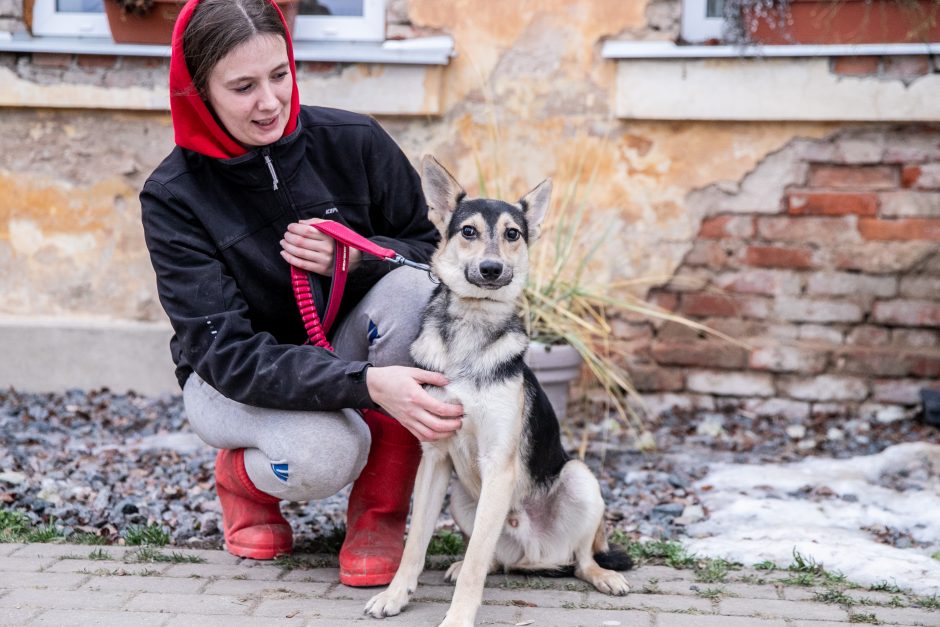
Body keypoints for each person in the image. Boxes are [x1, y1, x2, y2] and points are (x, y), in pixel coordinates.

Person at [140, 0, 463, 587]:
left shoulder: (355, 140)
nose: (269, 102)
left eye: (280, 74)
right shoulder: (174, 196)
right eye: (241, 87)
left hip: (339, 347)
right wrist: (365, 384)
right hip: (232, 383)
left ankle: (379, 519)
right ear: (199, 90)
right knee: (322, 456)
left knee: (416, 294)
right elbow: (226, 354)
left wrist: (359, 261)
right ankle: (240, 480)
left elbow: (428, 252)